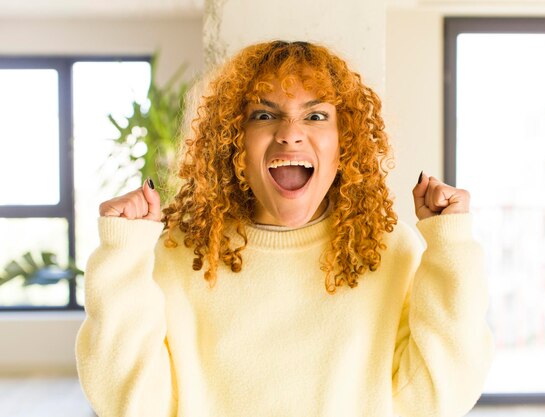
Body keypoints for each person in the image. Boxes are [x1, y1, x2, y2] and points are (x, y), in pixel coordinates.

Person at [76, 40, 493, 417]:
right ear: (233, 140)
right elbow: (128, 403)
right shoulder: (181, 252)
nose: (290, 134)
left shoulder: (387, 248)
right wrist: (122, 255)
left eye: (315, 115)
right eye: (264, 114)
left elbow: (438, 395)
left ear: (344, 142)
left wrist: (450, 246)